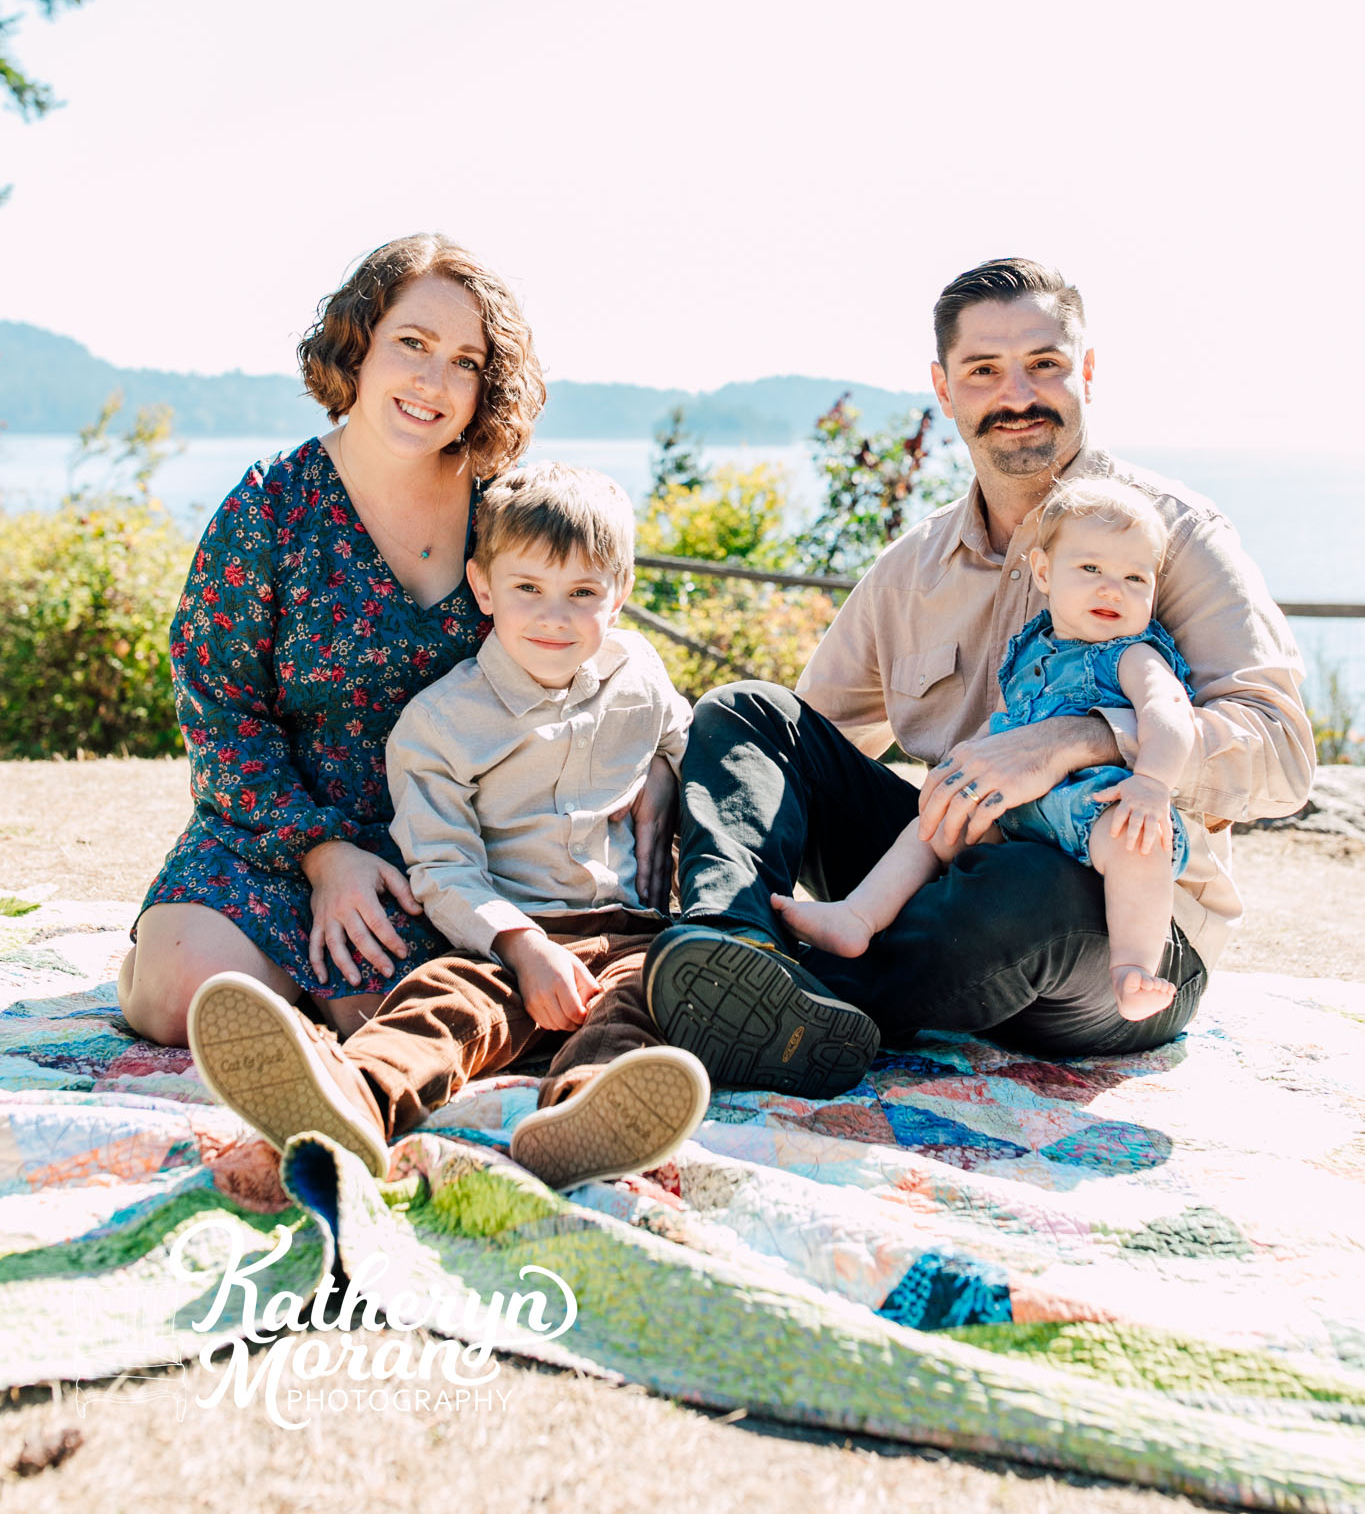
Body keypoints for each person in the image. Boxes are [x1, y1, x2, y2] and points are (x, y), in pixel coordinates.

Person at [643, 258, 1314, 1091]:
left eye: (1043, 364)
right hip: (944, 885)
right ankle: (725, 954)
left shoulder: (1173, 538)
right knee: (748, 711)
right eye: (984, 371)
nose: (1017, 395)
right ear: (944, 387)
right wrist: (667, 783)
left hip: (1112, 934)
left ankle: (811, 1005)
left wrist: (1076, 739)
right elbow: (798, 757)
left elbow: (1283, 758)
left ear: (1087, 373)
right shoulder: (910, 568)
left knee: (1026, 883)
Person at [119, 233, 676, 1047]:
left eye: (464, 360)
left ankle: (322, 1024)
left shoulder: (506, 509)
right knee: (184, 996)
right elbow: (219, 713)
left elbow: (593, 638)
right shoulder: (269, 509)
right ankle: (218, 967)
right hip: (280, 828)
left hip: (461, 841)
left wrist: (656, 761)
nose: (432, 381)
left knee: (409, 1019)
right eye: (411, 344)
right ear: (359, 347)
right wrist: (321, 852)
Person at [187, 463, 710, 1189]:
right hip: (505, 937)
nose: (554, 617)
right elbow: (441, 864)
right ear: (483, 587)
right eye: (528, 589)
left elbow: (694, 745)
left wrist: (667, 768)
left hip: (633, 929)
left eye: (582, 594)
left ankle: (586, 1120)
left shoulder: (641, 676)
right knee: (440, 1007)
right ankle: (352, 1099)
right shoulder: (436, 724)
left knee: (637, 1007)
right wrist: (522, 949)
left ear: (618, 595)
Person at [774, 477, 1200, 1023]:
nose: (1112, 589)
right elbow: (1005, 729)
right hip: (1017, 817)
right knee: (932, 820)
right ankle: (857, 917)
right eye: (1091, 569)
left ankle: (1133, 967)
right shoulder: (1032, 649)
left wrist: (1153, 783)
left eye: (1134, 577)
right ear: (1045, 572)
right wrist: (957, 769)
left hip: (1095, 811)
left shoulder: (1132, 655)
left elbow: (1171, 715)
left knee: (1138, 844)